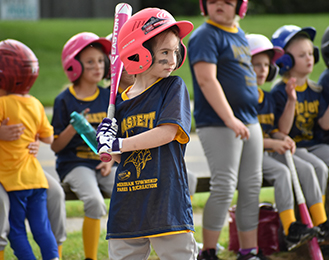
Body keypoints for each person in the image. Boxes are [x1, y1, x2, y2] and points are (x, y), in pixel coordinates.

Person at [96, 7, 198, 259]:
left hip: (166, 199)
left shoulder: (173, 87)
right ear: (137, 53)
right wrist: (106, 144)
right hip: (128, 203)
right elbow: (122, 157)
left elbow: (167, 132)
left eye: (175, 51)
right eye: (165, 52)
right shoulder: (118, 104)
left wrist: (120, 142)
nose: (173, 60)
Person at [188, 1, 266, 259]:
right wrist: (230, 118)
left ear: (240, 7)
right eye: (213, 1)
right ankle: (208, 251)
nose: (219, 4)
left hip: (249, 120)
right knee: (224, 185)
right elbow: (205, 79)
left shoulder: (239, 34)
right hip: (219, 122)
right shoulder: (205, 35)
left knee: (251, 185)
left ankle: (249, 251)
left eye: (227, 1)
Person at [247, 33, 322, 251]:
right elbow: (248, 137)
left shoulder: (267, 98)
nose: (261, 70)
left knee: (303, 168)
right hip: (250, 156)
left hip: (265, 152)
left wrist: (282, 135)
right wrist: (273, 144)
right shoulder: (244, 99)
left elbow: (277, 130)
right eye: (255, 65)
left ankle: (318, 222)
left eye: (265, 65)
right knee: (282, 174)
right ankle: (291, 229)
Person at [51, 32, 115, 260]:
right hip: (75, 164)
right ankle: (91, 258)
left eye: (100, 60)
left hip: (103, 163)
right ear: (74, 67)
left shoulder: (109, 97)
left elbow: (115, 137)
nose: (98, 67)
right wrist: (74, 126)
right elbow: (56, 147)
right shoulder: (64, 100)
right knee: (95, 202)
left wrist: (109, 161)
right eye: (90, 62)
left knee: (129, 190)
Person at [0, 39, 59, 260]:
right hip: (37, 181)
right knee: (42, 229)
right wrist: (34, 136)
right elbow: (48, 136)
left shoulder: (2, 104)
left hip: (14, 182)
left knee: (16, 232)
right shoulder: (35, 104)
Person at [270, 25, 329, 239]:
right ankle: (320, 222)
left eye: (310, 53)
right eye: (301, 55)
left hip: (311, 145)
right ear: (285, 61)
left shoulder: (315, 89)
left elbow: (324, 123)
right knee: (319, 169)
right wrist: (291, 100)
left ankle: (321, 220)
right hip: (290, 147)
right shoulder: (279, 91)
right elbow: (281, 130)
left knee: (323, 163)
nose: (309, 58)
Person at [0, 122, 66, 259]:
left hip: (22, 168)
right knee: (2, 202)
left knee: (56, 192)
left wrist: (34, 139)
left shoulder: (12, 102)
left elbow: (44, 134)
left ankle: (56, 253)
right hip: (8, 170)